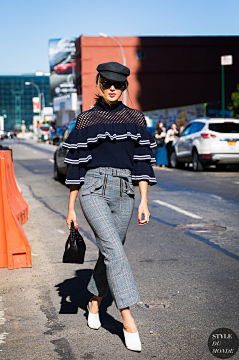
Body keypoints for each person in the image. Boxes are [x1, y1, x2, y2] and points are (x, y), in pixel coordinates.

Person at [64, 62, 157, 352]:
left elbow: (142, 162)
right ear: (99, 84)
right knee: (114, 250)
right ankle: (127, 318)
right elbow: (76, 168)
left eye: (118, 84)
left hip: (125, 191)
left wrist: (143, 200)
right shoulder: (85, 121)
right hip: (93, 189)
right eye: (107, 83)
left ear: (125, 86)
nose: (112, 88)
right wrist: (71, 207)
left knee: (110, 252)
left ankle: (94, 301)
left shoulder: (136, 119)